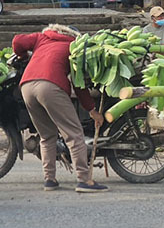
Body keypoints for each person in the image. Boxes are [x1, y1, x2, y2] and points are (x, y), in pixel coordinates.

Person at [12, 24, 108, 192]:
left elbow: (17, 41)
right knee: (74, 134)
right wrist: (92, 110)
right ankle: (84, 180)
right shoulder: (74, 46)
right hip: (50, 86)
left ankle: (49, 180)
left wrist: (23, 56)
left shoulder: (41, 38)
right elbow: (78, 85)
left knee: (46, 135)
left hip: (26, 87)